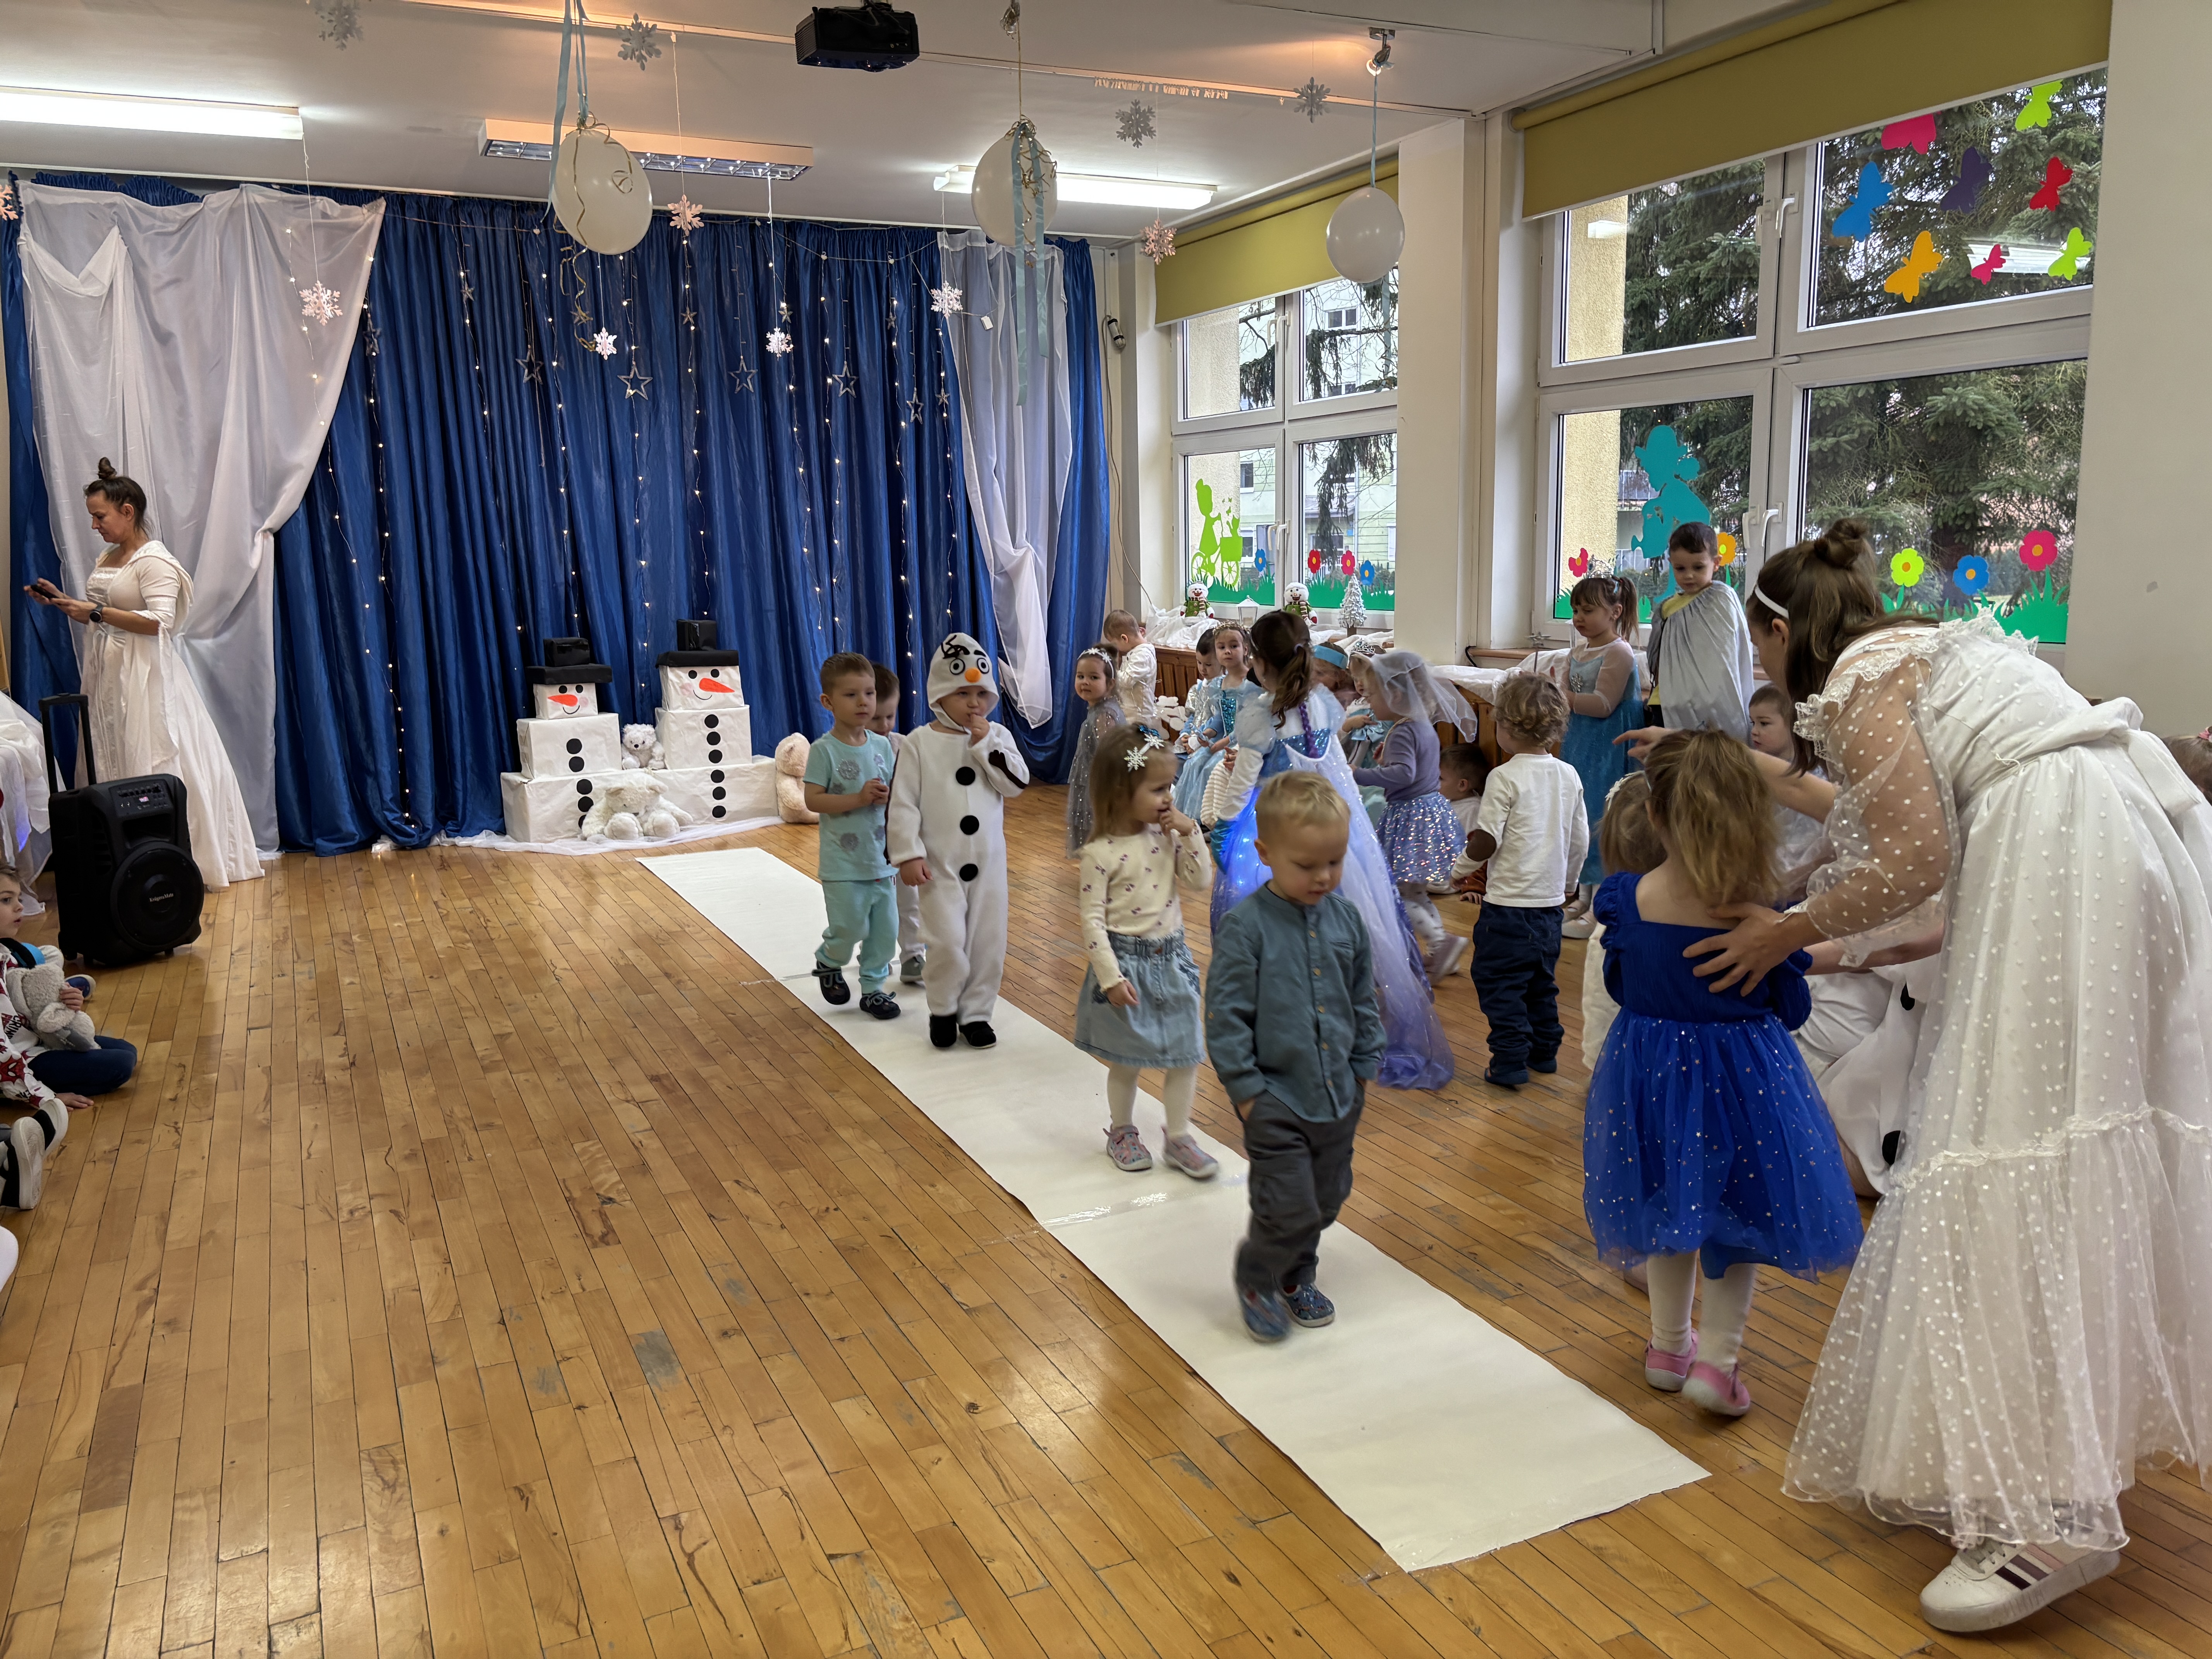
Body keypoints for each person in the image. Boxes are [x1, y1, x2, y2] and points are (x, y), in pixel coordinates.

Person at [1646, 517, 2212, 1633]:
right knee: (2068, 1141)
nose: (1761, 670)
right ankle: (2055, 1454)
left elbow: (1911, 858)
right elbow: (1894, 859)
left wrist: (1784, 930)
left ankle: (2052, 1511)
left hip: (2067, 854)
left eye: (1758, 648)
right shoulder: (1935, 653)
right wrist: (1808, 918)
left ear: (1778, 632)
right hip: (2120, 846)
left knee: (2016, 1142)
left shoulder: (1863, 680)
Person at [1583, 731, 1862, 1418]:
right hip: (1746, 1085)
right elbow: (1791, 1006)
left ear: (1655, 815)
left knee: (1667, 1208)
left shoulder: (1626, 900)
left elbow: (1621, 983)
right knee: (1735, 1222)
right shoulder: (1757, 914)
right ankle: (1717, 1362)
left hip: (1649, 1079)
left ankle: (1667, 1348)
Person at [1203, 610, 1453, 1091]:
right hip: (1324, 821)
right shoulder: (1319, 703)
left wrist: (1225, 829)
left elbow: (1241, 785)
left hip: (1276, 826)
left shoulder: (1261, 713)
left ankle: (1280, 1022)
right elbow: (1332, 764)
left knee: (1271, 926)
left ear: (1259, 663)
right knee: (1337, 919)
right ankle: (1339, 1013)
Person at [1205, 772, 1386, 1343]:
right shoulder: (1246, 929)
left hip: (1339, 1095)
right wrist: (1248, 1094)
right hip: (1276, 1100)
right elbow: (1226, 1016)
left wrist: (1363, 1067)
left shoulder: (1346, 920)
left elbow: (1362, 997)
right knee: (1288, 1203)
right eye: (1306, 865)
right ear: (1266, 854)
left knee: (1327, 1199)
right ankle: (1258, 1277)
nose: (1324, 877)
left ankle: (1296, 1273)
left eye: (1334, 862)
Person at [23, 460, 261, 889]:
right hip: (109, 670)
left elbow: (159, 623)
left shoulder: (155, 562)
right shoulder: (109, 556)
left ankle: (170, 857)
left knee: (151, 750)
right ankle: (123, 859)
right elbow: (103, 614)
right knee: (113, 748)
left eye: (100, 516)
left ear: (128, 511)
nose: (94, 525)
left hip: (145, 673)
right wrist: (64, 602)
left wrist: (95, 611)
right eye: (92, 517)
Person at [1073, 725, 1218, 1181]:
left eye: (1170, 786)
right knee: (1127, 1059)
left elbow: (1199, 882)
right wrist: (1110, 978)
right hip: (1127, 966)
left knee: (1186, 1053)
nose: (1168, 797)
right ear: (1121, 792)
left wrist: (1191, 833)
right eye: (1157, 788)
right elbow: (1092, 922)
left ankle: (1179, 1136)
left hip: (1171, 960)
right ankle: (1122, 1131)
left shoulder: (1167, 836)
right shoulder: (1099, 853)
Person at [886, 635, 1030, 1051]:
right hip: (939, 864)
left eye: (982, 695)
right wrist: (908, 854)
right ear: (940, 695)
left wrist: (986, 746)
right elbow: (903, 803)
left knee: (988, 942)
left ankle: (977, 1013)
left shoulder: (997, 736)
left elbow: (1016, 784)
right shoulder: (919, 743)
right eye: (962, 694)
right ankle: (944, 1008)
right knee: (946, 940)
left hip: (989, 864)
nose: (974, 704)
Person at [1463, 676, 1586, 1089]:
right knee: (1539, 983)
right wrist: (1569, 883)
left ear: (1506, 727)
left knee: (1499, 982)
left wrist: (1458, 870)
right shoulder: (1569, 775)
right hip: (1549, 908)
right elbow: (1580, 838)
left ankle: (1510, 1059)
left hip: (1507, 909)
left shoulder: (1504, 777)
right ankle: (1544, 1051)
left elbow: (1487, 840)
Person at [1351, 650, 1479, 983]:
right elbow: (1416, 769)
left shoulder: (1403, 731)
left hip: (1411, 817)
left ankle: (1441, 942)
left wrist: (1358, 774)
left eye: (1373, 694)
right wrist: (1387, 763)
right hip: (1430, 812)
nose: (1369, 700)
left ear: (1395, 696)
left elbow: (1404, 775)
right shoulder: (1421, 726)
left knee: (1398, 892)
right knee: (1415, 892)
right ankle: (1441, 951)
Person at [804, 653, 901, 1021]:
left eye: (870, 693)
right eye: (851, 695)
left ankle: (874, 990)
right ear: (828, 702)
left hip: (882, 861)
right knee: (851, 927)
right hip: (843, 865)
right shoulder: (824, 750)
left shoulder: (882, 746)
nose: (864, 702)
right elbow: (813, 801)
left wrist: (891, 797)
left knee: (885, 933)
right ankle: (829, 960)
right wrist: (858, 799)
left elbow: (895, 792)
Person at [1556, 574, 1646, 939]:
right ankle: (1583, 896)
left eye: (1588, 610)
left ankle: (1601, 907)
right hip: (1580, 743)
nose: (1579, 618)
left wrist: (1564, 697)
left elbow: (1604, 704)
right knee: (1580, 814)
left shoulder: (1619, 652)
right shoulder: (1576, 652)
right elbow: (1568, 694)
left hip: (1609, 747)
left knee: (1601, 816)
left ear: (1615, 612)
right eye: (1576, 610)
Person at [0, 869, 133, 1098]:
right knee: (121, 1065)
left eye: (18, 898)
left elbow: (31, 1003)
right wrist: (45, 1096)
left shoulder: (8, 950)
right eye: (6, 900)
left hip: (38, 1040)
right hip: (18, 1062)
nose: (20, 907)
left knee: (128, 1051)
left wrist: (65, 1001)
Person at [1578, 773, 1664, 1071]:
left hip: (1630, 1061)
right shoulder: (1708, 907)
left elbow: (1601, 1007)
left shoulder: (1614, 926)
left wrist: (1596, 1063)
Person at [1642, 522, 1752, 740]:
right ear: (1671, 564)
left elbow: (1728, 659)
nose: (1689, 576)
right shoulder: (1666, 608)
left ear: (1716, 563)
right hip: (1666, 702)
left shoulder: (1722, 600)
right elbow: (1657, 657)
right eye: (1680, 569)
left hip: (1712, 707)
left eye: (1698, 568)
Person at [868, 663, 926, 988]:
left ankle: (913, 956)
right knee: (876, 904)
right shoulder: (851, 750)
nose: (884, 725)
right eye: (876, 718)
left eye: (890, 717)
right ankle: (875, 957)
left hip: (904, 841)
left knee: (911, 900)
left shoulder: (904, 746)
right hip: (869, 843)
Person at [1747, 684, 1832, 905]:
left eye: (1764, 723)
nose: (1754, 731)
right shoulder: (1760, 770)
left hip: (1796, 882)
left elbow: (1809, 844)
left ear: (1794, 725)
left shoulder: (1812, 777)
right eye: (1753, 723)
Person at [1173, 624, 1256, 823]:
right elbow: (1219, 718)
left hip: (1242, 742)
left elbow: (1248, 724)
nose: (1227, 651)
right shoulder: (1221, 684)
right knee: (1194, 762)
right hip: (1224, 740)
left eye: (1234, 646)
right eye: (1222, 647)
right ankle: (1188, 818)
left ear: (1245, 649)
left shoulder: (1251, 682)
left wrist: (1222, 743)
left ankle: (1211, 821)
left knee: (1211, 768)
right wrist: (1207, 734)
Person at [1065, 648, 1126, 858]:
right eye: (1080, 676)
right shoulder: (1100, 709)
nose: (1085, 682)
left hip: (1099, 786)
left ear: (1110, 684)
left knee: (1099, 837)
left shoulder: (1105, 715)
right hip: (1091, 780)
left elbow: (1111, 755)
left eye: (1094, 678)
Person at [1437, 744, 1491, 897]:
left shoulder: (1473, 809)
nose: (1433, 782)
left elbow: (1477, 851)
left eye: (1440, 778)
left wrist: (1473, 886)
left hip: (1450, 880)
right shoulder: (1446, 802)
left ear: (1462, 785)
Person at [1102, 611, 1158, 726]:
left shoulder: (1143, 655)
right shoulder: (1137, 652)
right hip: (1130, 712)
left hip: (1138, 716)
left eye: (1114, 644)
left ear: (1125, 638)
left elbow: (1127, 680)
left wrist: (1110, 672)